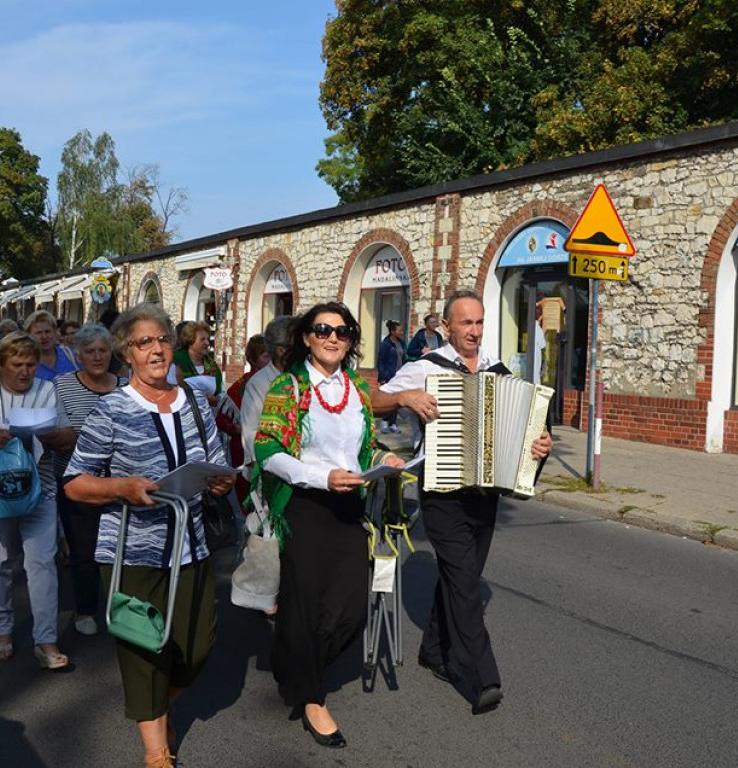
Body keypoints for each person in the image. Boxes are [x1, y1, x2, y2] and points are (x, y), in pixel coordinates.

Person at [63, 302, 235, 768]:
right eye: (144, 342)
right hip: (131, 552)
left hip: (193, 545)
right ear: (127, 353)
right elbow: (76, 482)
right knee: (143, 652)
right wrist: (121, 487)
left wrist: (222, 480)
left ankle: (160, 707)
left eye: (162, 339)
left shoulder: (196, 402)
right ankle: (156, 752)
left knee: (198, 647)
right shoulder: (111, 409)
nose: (156, 349)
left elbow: (217, 463)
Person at [374, 289, 553, 713]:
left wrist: (539, 443)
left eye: (479, 322)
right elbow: (373, 400)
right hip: (441, 493)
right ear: (447, 326)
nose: (473, 331)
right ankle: (483, 675)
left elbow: (529, 428)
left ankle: (433, 651)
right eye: (465, 323)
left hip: (486, 494)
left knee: (462, 576)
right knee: (466, 584)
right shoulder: (424, 368)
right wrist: (403, 398)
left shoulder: (499, 371)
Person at [250, 301, 404, 749]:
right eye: (323, 330)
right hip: (304, 506)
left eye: (343, 331)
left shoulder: (356, 387)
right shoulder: (289, 385)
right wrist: (320, 477)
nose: (333, 338)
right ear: (306, 337)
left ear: (351, 340)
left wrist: (383, 460)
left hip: (349, 507)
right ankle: (312, 698)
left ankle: (293, 660)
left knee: (351, 607)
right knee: (304, 607)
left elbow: (360, 450)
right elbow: (267, 452)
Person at [0, 332, 76, 667]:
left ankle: (47, 641)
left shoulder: (48, 390)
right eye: (17, 365)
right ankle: (3, 630)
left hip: (42, 490)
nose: (25, 372)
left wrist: (53, 435)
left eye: (31, 364)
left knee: (42, 564)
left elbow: (68, 436)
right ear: (1, 364)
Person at [53, 324, 124, 637]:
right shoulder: (61, 386)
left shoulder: (125, 386)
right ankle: (85, 610)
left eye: (103, 350)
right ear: (78, 355)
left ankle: (120, 608)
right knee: (84, 549)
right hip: (75, 480)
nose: (97, 357)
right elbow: (63, 437)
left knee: (121, 547)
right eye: (90, 351)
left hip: (119, 481)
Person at [216, 333, 268, 502]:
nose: (269, 360)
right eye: (265, 356)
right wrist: (237, 429)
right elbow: (222, 417)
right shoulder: (245, 383)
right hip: (245, 447)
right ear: (253, 359)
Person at [239, 316, 293, 468]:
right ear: (281, 350)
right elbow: (251, 435)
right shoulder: (259, 384)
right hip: (271, 472)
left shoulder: (302, 377)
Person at [170, 321, 222, 406]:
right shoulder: (175, 360)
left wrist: (215, 399)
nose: (207, 343)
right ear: (190, 341)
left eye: (208, 339)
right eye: (202, 339)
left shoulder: (212, 365)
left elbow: (219, 392)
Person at [25, 310, 79, 381]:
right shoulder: (25, 362)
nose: (44, 336)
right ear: (29, 335)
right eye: (38, 333)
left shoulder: (71, 355)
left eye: (48, 331)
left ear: (55, 332)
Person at [376, 320, 406, 433]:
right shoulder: (386, 344)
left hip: (399, 375)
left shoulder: (401, 343)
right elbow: (381, 361)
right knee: (387, 400)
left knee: (396, 400)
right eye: (399, 330)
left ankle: (393, 423)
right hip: (389, 375)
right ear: (392, 331)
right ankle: (384, 421)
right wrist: (382, 378)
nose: (402, 332)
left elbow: (404, 358)